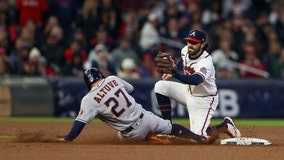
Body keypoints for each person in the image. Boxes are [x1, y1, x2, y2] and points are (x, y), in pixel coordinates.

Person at [58, 68, 213, 143]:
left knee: (121, 137)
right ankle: (199, 138)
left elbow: (79, 124)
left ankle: (151, 138)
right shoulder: (113, 79)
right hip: (145, 117)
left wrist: (67, 139)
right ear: (101, 75)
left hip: (132, 133)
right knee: (170, 127)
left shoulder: (89, 99)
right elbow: (131, 90)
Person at [154, 29, 241, 139]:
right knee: (160, 86)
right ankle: (167, 127)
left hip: (204, 100)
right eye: (189, 41)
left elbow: (196, 80)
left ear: (203, 44)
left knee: (197, 137)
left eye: (194, 43)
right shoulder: (185, 50)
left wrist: (174, 74)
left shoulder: (206, 61)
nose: (190, 45)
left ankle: (224, 125)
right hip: (188, 91)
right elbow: (183, 60)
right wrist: (173, 69)